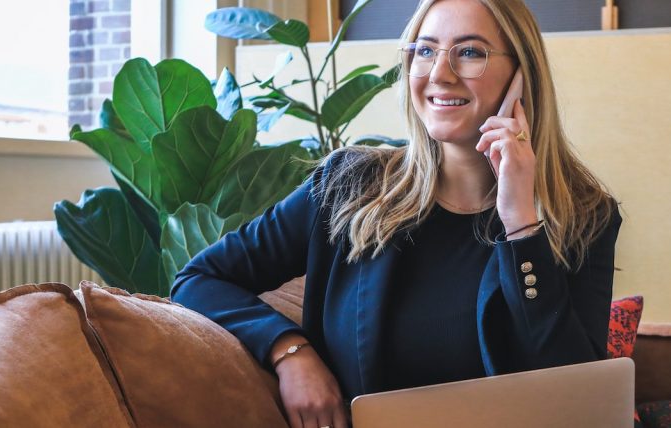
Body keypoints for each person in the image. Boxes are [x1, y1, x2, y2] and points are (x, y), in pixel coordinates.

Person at [171, 0, 623, 427]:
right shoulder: (348, 186)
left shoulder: (584, 217)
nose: (439, 74)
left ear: (522, 76)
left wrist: (522, 225)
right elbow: (198, 279)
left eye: (469, 52)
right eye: (424, 51)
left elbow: (575, 398)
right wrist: (291, 352)